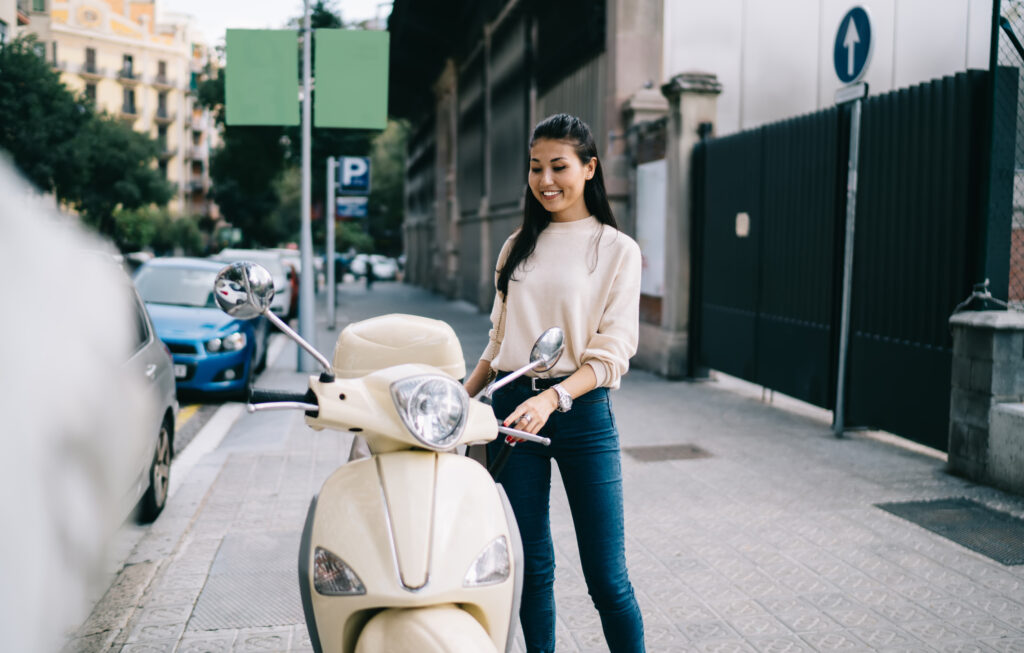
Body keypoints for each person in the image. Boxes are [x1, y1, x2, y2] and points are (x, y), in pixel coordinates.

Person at [464, 114, 645, 653]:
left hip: (582, 413)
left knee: (607, 578)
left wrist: (554, 397)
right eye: (536, 167)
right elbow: (498, 343)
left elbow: (613, 352)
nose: (546, 180)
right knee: (531, 568)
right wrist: (460, 398)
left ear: (589, 168)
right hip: (511, 411)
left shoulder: (616, 249)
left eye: (559, 167)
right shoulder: (517, 245)